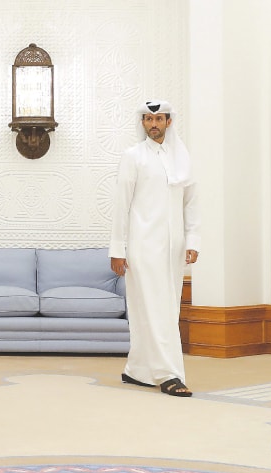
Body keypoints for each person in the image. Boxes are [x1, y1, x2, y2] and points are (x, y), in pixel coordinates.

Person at [109, 100, 200, 398]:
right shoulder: (133, 156)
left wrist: (193, 241)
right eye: (148, 119)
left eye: (158, 118)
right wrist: (117, 249)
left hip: (173, 249)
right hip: (142, 246)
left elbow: (192, 203)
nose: (153, 124)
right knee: (153, 309)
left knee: (165, 309)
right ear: (143, 123)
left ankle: (137, 370)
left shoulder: (182, 159)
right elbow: (121, 205)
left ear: (169, 122)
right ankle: (168, 374)